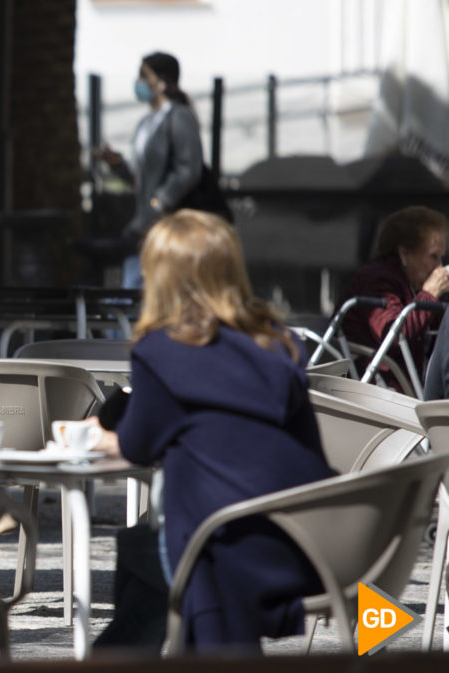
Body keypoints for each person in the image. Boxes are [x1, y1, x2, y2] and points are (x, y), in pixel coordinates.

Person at [89, 210, 335, 652]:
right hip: (305, 545)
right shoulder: (279, 342)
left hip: (221, 549)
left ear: (160, 279)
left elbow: (139, 447)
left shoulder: (162, 352)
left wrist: (98, 437)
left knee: (144, 555)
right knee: (145, 554)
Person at [96, 51, 203, 288]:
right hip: (143, 223)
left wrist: (160, 201)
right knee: (134, 284)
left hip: (168, 223)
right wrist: (115, 163)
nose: (139, 82)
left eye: (145, 76)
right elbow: (139, 176)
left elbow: (189, 168)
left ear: (162, 81)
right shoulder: (146, 123)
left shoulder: (179, 117)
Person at [338, 205, 449, 391]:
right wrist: (430, 294)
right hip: (373, 390)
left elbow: (440, 335)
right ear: (404, 253)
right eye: (433, 257)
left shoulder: (413, 284)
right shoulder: (377, 278)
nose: (439, 267)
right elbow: (393, 334)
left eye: (442, 258)